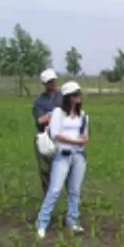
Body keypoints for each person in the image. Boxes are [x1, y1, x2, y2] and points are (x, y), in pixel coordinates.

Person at [35, 81, 89, 238]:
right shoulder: (58, 113)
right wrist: (75, 141)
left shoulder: (83, 115)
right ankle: (42, 222)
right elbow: (55, 134)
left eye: (78, 93)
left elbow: (85, 136)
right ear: (67, 97)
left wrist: (77, 141)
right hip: (63, 155)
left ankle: (73, 221)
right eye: (74, 94)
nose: (77, 97)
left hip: (78, 157)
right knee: (55, 189)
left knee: (74, 191)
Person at [32, 68, 63, 195]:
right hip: (45, 137)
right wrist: (55, 114)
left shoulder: (62, 96)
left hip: (62, 136)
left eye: (53, 81)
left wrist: (50, 115)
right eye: (49, 82)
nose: (52, 84)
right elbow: (40, 120)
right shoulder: (39, 101)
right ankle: (48, 195)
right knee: (45, 169)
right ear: (44, 84)